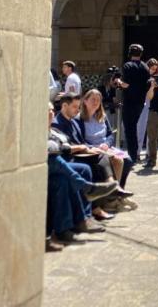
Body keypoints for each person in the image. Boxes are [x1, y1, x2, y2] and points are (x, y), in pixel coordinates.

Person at [47, 102, 117, 250]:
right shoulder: (41, 128)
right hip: (45, 166)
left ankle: (84, 219)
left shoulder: (52, 130)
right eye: (47, 111)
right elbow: (53, 148)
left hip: (59, 164)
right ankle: (86, 189)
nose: (51, 114)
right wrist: (63, 147)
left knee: (84, 169)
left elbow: (61, 145)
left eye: (52, 110)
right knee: (59, 174)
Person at [79, 88, 134, 191]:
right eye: (93, 99)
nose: (96, 102)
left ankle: (120, 188)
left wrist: (107, 144)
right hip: (93, 150)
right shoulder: (79, 119)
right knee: (116, 161)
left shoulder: (102, 116)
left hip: (106, 147)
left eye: (98, 100)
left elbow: (110, 135)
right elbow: (80, 139)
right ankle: (113, 191)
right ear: (85, 101)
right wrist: (95, 147)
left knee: (128, 160)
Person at [116, 44, 150, 163]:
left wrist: (118, 82)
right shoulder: (145, 67)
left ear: (130, 53)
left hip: (129, 101)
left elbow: (126, 84)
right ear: (141, 54)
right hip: (140, 102)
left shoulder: (128, 66)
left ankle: (132, 156)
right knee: (134, 128)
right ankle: (135, 154)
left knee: (129, 130)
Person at [137, 58, 158, 159]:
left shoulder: (156, 78)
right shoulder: (142, 77)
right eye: (152, 68)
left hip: (153, 104)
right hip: (143, 103)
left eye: (155, 69)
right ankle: (137, 152)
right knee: (140, 128)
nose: (153, 71)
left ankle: (149, 152)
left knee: (151, 129)